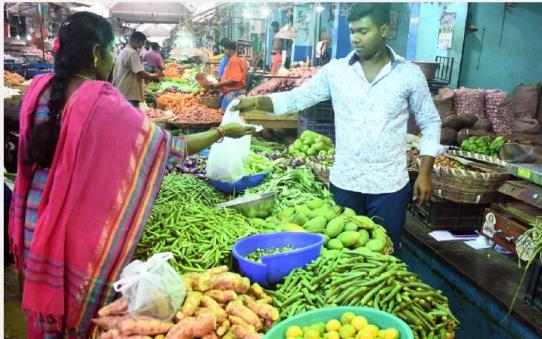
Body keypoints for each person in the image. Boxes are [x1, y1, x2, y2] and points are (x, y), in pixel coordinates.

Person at [8, 12, 255, 338]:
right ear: (97, 53)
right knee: (72, 316)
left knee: (42, 312)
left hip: (30, 227)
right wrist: (221, 131)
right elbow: (168, 147)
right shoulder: (102, 102)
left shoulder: (37, 90)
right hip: (70, 237)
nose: (112, 59)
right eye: (111, 51)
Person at [233, 3, 442, 251]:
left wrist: (426, 172)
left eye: (363, 31)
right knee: (340, 254)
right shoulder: (336, 72)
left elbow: (430, 122)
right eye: (352, 31)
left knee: (385, 255)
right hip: (345, 183)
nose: (355, 38)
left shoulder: (409, 74)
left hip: (389, 187)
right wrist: (255, 102)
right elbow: (297, 98)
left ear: (384, 29)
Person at [112, 31, 161, 107]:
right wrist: (155, 76)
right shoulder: (132, 53)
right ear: (138, 42)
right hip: (129, 94)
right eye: (143, 43)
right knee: (130, 117)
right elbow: (141, 73)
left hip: (123, 91)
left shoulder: (124, 51)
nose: (142, 46)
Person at [210, 40, 248, 111]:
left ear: (229, 49)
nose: (224, 52)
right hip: (238, 91)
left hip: (233, 92)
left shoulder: (234, 60)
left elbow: (234, 80)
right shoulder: (240, 59)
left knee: (226, 115)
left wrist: (219, 84)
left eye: (225, 49)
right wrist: (220, 79)